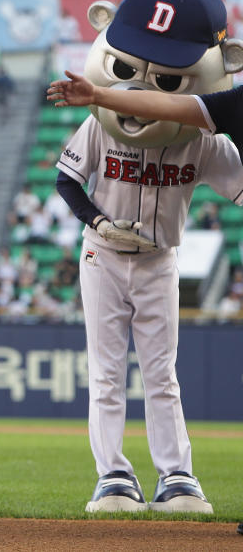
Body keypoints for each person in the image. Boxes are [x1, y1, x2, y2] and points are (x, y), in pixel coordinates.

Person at [47, 70, 243, 514]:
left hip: (159, 260)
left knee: (161, 374)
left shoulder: (202, 136)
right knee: (106, 372)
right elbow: (66, 179)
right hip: (103, 255)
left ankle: (176, 474)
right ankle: (112, 474)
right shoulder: (104, 119)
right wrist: (98, 222)